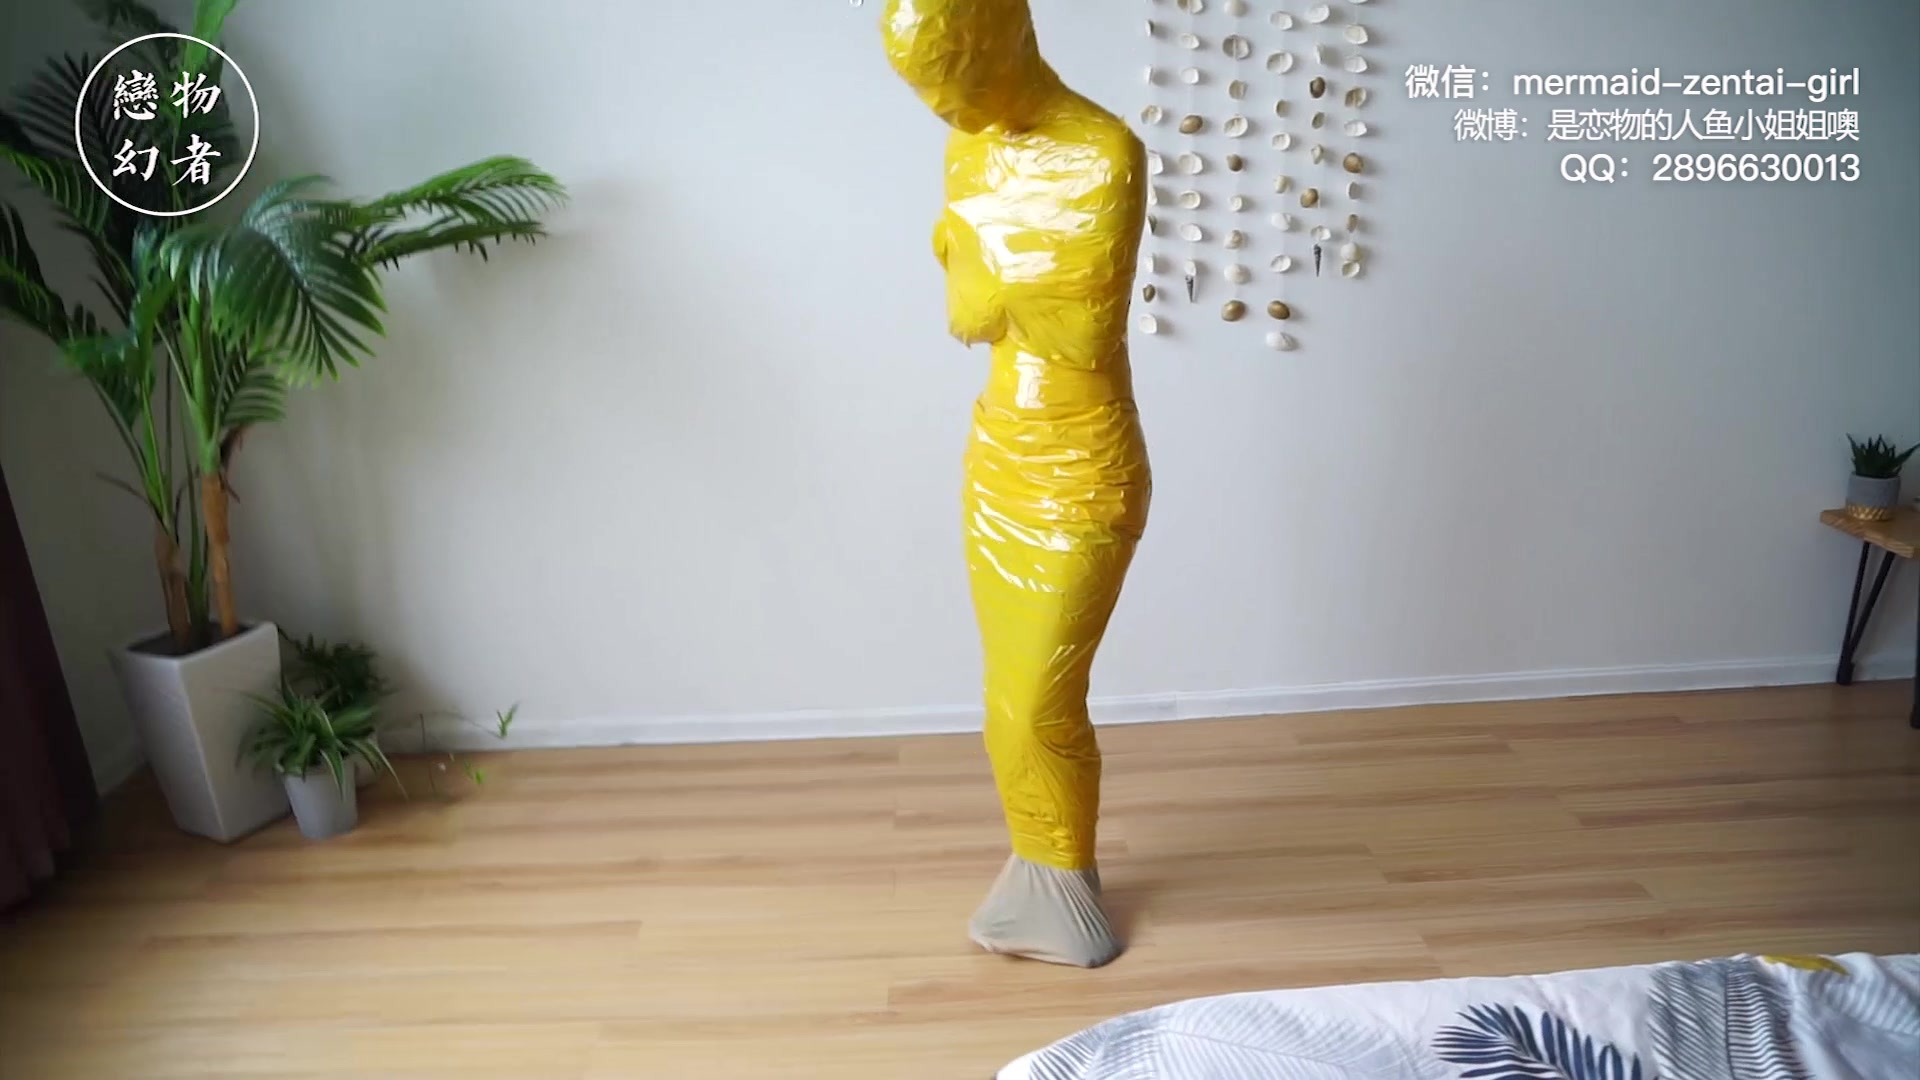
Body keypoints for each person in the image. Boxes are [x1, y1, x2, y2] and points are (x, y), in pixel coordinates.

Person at [881, 0, 1152, 968]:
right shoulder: (968, 149)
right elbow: (967, 312)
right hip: (998, 452)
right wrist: (997, 286)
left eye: (956, 84)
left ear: (1009, 36)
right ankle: (1043, 871)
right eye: (927, 94)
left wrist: (985, 279)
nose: (945, 111)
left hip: (1082, 463)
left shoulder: (1105, 155)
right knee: (1004, 705)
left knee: (1041, 699)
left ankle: (1066, 885)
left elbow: (1083, 334)